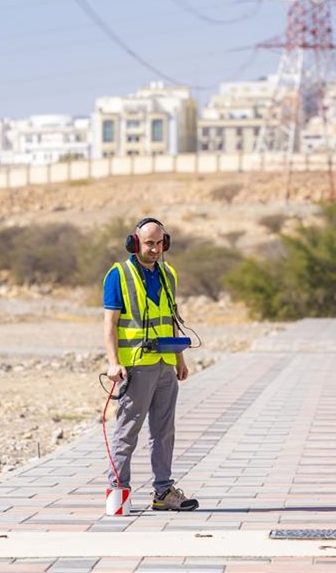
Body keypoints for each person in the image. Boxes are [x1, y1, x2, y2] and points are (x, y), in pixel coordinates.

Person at [103, 217, 198, 511]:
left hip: (165, 365)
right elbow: (110, 322)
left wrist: (179, 359)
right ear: (134, 243)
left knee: (164, 431)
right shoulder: (118, 275)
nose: (155, 249)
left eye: (159, 243)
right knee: (127, 432)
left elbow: (169, 318)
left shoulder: (168, 274)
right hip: (135, 367)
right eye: (149, 243)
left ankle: (164, 492)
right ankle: (118, 494)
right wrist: (113, 362)